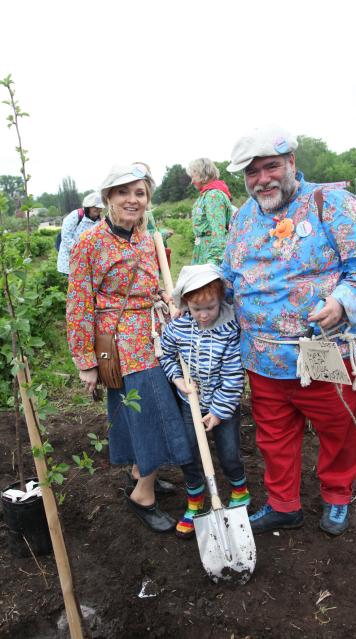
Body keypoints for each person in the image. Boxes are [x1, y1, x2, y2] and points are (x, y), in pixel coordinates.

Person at [223, 126, 356, 536]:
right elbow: (232, 274)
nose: (262, 179)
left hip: (326, 351)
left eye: (271, 167)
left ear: (292, 163)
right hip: (263, 356)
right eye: (252, 172)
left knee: (340, 430)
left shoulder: (331, 203)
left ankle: (336, 495)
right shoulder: (243, 218)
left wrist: (342, 302)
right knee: (273, 436)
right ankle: (284, 504)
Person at [66, 162, 193, 533]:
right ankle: (143, 494)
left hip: (154, 333)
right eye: (123, 192)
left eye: (139, 193)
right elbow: (78, 302)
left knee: (135, 409)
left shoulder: (144, 234)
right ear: (108, 197)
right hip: (118, 342)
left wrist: (171, 303)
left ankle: (141, 470)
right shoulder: (89, 242)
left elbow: (154, 283)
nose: (132, 200)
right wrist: (85, 361)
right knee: (150, 411)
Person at [159, 264, 250, 538]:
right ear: (186, 303)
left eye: (210, 307)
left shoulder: (230, 330)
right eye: (197, 309)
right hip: (191, 403)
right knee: (188, 452)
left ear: (220, 299)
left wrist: (220, 412)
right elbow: (166, 354)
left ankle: (239, 490)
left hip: (224, 405)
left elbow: (234, 376)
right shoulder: (179, 327)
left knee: (228, 452)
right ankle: (196, 501)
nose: (204, 315)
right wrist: (177, 379)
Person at [186, 158, 234, 266]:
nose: (192, 181)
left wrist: (213, 263)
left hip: (210, 255)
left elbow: (218, 232)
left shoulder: (213, 196)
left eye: (193, 177)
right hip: (203, 251)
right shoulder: (207, 194)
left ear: (203, 174)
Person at [57, 191, 103, 274]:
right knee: (73, 282)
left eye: (99, 208)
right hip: (70, 257)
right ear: (88, 207)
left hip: (88, 260)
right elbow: (66, 237)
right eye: (95, 207)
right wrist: (80, 251)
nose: (98, 210)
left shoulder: (100, 221)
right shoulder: (76, 215)